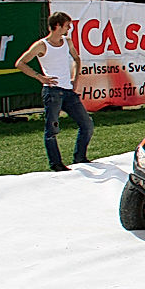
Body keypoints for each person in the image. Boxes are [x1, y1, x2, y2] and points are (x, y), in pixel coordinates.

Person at [14, 11, 94, 171]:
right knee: (52, 129)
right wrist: (40, 77)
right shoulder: (41, 45)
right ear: (57, 25)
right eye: (67, 26)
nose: (69, 29)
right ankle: (56, 164)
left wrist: (75, 78)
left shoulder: (67, 42)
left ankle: (80, 157)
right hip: (52, 92)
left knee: (87, 124)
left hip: (68, 91)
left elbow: (76, 59)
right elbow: (20, 63)